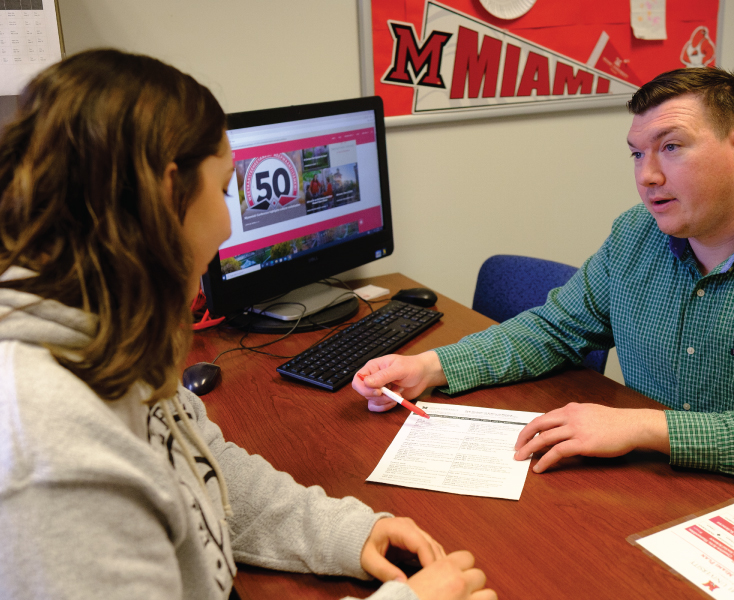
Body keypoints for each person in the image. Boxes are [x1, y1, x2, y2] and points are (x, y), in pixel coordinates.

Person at [0, 49, 496, 600]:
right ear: (168, 196)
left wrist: (349, 533)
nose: (229, 221)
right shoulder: (48, 459)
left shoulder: (110, 339)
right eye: (224, 188)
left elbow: (200, 466)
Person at [353, 67, 734, 484]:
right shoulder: (634, 234)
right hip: (644, 485)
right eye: (637, 153)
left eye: (671, 147)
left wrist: (644, 426)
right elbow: (554, 329)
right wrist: (429, 367)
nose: (647, 175)